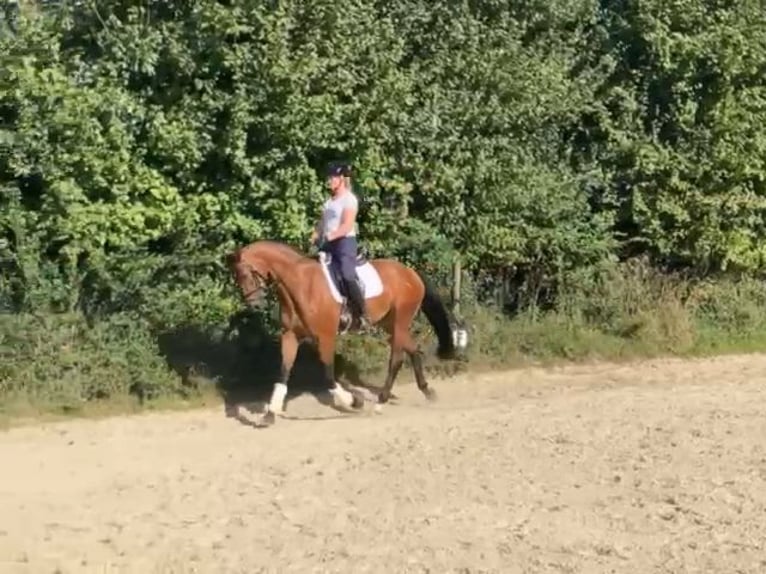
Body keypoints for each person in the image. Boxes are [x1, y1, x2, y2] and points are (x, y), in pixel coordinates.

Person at [310, 161, 371, 331]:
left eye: (332, 177)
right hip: (328, 244)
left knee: (346, 274)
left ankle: (362, 314)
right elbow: (322, 223)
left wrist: (329, 236)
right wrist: (316, 234)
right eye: (329, 177)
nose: (329, 180)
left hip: (344, 243)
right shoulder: (329, 202)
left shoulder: (349, 200)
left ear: (342, 179)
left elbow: (346, 225)